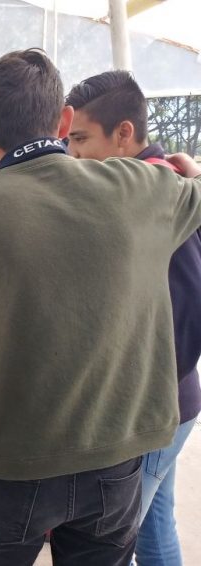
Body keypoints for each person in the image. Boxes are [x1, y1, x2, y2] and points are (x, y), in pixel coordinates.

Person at [0, 48, 201, 565]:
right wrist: (184, 167)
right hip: (119, 456)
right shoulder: (145, 187)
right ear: (64, 119)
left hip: (13, 460)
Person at [65, 70, 201, 566]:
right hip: (164, 404)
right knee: (153, 523)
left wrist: (150, 385)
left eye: (81, 139)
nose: (73, 154)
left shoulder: (154, 193)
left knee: (111, 540)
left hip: (156, 409)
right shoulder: (144, 185)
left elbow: (190, 303)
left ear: (124, 132)